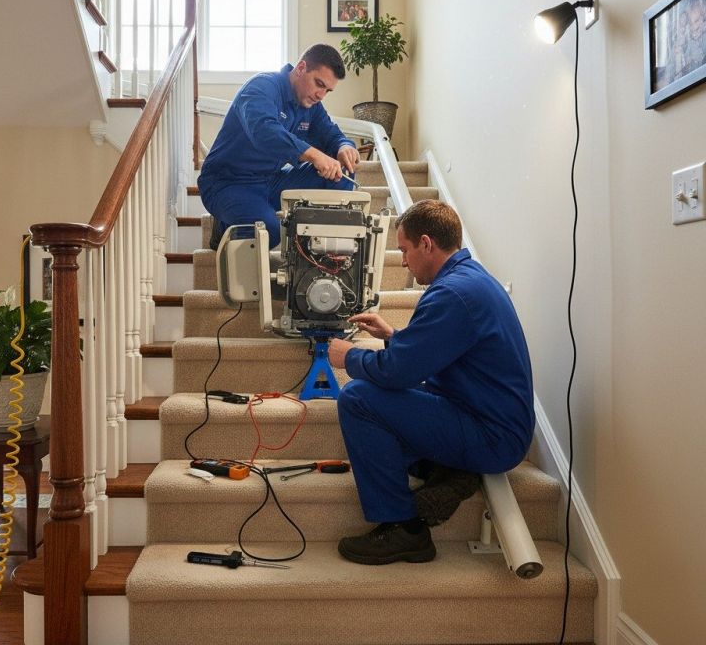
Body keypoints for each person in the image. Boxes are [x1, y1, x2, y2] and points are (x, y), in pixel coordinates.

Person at [327, 200, 535, 565]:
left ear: (426, 243)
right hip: (483, 415)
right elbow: (433, 354)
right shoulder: (469, 281)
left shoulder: (453, 293)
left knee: (359, 397)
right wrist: (394, 336)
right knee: (389, 396)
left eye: (405, 250)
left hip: (493, 436)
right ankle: (446, 470)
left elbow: (397, 371)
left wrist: (349, 357)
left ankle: (402, 528)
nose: (403, 261)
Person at [198, 44, 360, 250]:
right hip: (227, 183)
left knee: (342, 168)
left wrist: (344, 146)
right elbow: (264, 131)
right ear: (301, 68)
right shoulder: (261, 87)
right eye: (319, 84)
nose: (321, 94)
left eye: (327, 90)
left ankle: (318, 251)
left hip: (271, 180)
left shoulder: (311, 105)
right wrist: (313, 154)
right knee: (269, 230)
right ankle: (224, 226)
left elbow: (332, 134)